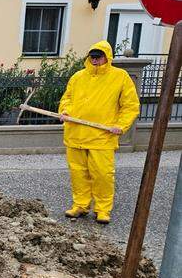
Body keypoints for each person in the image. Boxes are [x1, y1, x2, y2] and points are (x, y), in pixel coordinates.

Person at [58, 41, 140, 225]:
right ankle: (80, 205)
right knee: (78, 173)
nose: (95, 60)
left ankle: (102, 209)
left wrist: (121, 124)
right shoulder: (78, 77)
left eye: (98, 57)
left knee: (102, 174)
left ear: (107, 57)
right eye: (92, 57)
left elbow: (130, 106)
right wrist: (65, 111)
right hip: (76, 134)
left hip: (102, 137)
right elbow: (67, 98)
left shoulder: (120, 77)